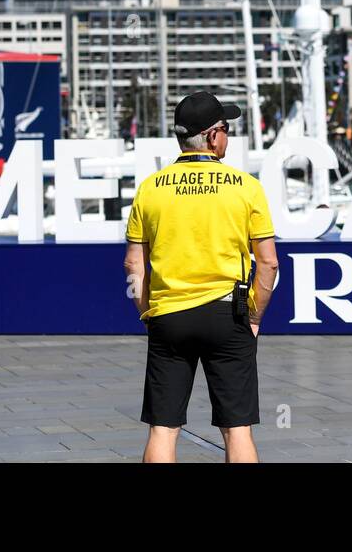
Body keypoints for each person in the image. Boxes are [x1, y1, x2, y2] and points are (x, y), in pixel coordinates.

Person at [124, 92, 278, 463]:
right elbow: (269, 263)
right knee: (237, 428)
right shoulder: (246, 187)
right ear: (212, 136)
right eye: (226, 129)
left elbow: (133, 265)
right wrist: (254, 316)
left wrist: (148, 312)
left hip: (169, 316)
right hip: (228, 314)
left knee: (163, 426)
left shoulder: (150, 188)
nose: (228, 137)